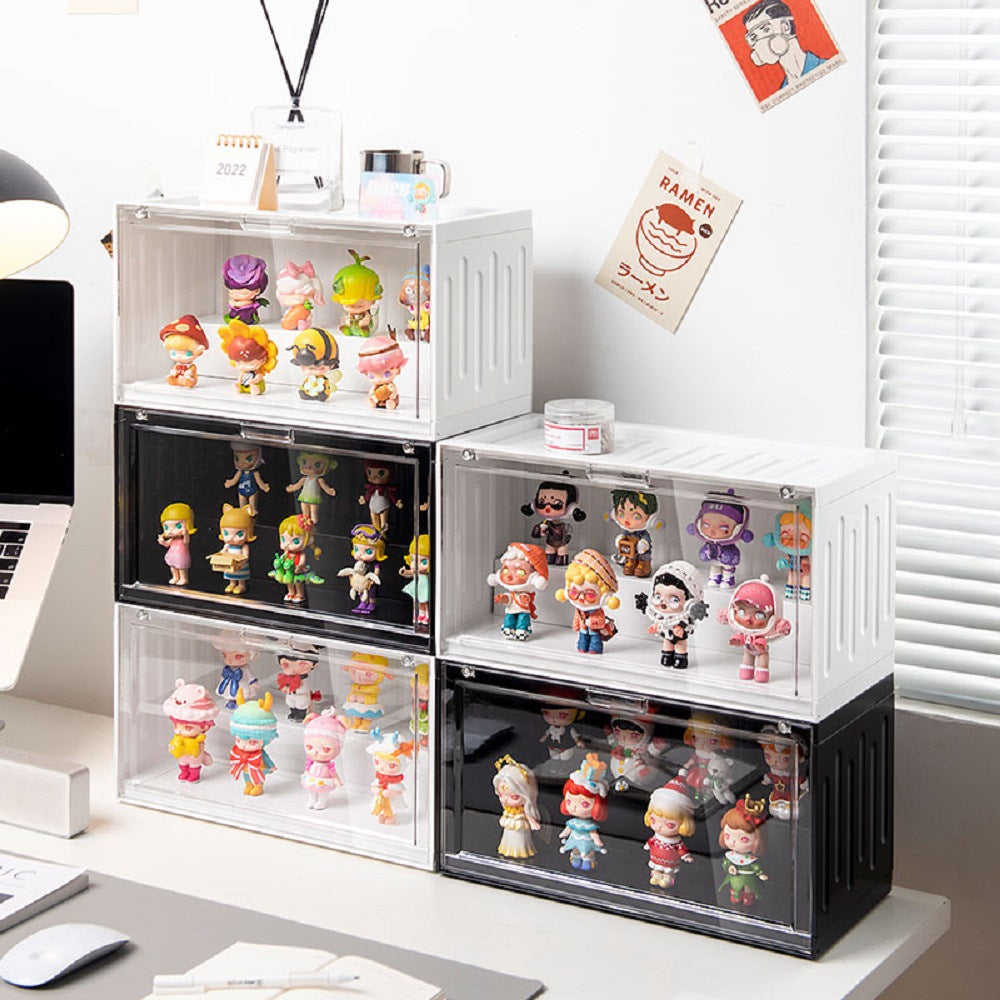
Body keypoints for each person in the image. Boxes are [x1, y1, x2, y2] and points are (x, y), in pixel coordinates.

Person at [743, 1, 826, 91]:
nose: (760, 42)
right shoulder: (783, 90)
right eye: (754, 37)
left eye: (766, 30)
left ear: (785, 27)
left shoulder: (823, 66)